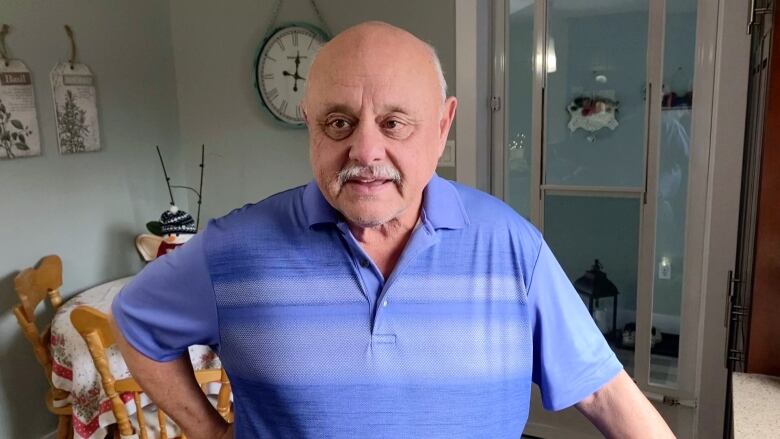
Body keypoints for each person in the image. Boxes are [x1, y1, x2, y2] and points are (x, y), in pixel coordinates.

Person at [111, 21, 674, 439]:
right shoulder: (234, 249)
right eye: (339, 123)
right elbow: (136, 322)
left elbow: (604, 392)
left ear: (443, 125)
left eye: (393, 123)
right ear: (310, 125)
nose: (365, 151)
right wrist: (210, 434)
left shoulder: (511, 246)